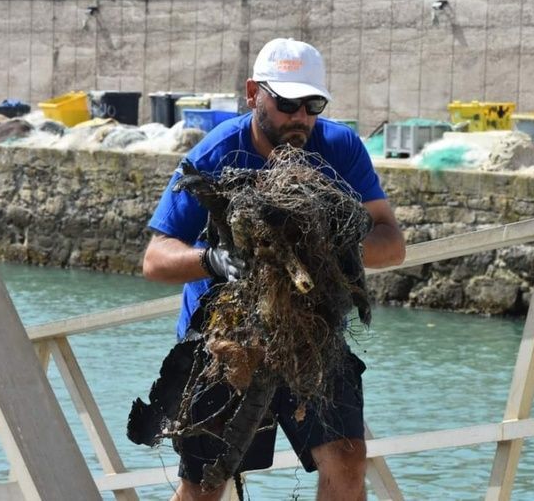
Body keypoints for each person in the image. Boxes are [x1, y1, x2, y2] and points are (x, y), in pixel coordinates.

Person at [142, 37, 406, 501]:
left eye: (312, 105)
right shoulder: (216, 154)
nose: (300, 116)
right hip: (222, 343)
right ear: (253, 94)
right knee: (204, 487)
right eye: (286, 103)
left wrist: (334, 251)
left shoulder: (339, 147)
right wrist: (212, 260)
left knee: (347, 462)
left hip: (312, 335)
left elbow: (392, 243)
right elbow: (155, 259)